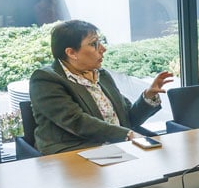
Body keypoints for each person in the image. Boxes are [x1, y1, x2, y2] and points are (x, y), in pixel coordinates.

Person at [29, 20, 173, 155]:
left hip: (116, 148)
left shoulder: (101, 75)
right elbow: (76, 121)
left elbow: (127, 120)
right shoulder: (45, 79)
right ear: (71, 53)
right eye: (94, 44)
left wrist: (148, 96)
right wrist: (127, 134)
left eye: (100, 42)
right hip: (74, 152)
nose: (103, 49)